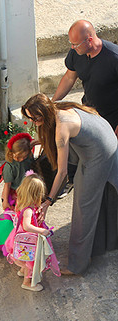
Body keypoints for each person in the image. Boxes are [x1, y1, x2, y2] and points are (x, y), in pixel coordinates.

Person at [21, 93, 118, 275]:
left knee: (83, 206)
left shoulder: (62, 128)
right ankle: (99, 244)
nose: (34, 123)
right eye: (30, 119)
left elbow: (63, 172)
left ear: (44, 113)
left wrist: (48, 200)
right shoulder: (57, 106)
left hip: (100, 154)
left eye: (35, 118)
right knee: (94, 193)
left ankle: (78, 264)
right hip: (107, 137)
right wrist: (42, 140)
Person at [52, 20, 118, 135]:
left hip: (112, 117)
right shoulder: (76, 52)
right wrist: (52, 103)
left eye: (76, 44)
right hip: (89, 112)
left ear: (89, 40)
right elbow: (69, 78)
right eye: (71, 43)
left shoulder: (114, 57)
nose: (72, 47)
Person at [4, 173, 59, 291]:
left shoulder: (21, 201)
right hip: (28, 240)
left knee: (25, 259)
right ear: (35, 195)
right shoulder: (28, 210)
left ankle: (22, 270)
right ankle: (27, 282)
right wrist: (42, 230)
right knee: (31, 261)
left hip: (20, 236)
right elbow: (27, 226)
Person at [0, 133, 34, 212]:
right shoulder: (9, 166)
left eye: (24, 156)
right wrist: (5, 201)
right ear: (11, 152)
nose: (22, 159)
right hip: (15, 193)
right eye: (18, 157)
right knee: (16, 212)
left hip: (27, 190)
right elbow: (7, 185)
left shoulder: (28, 158)